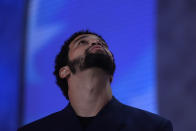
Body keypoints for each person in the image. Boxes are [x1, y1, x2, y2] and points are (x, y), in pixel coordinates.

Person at [18, 30, 173, 131]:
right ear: (64, 71)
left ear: (111, 73)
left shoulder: (154, 127)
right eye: (82, 42)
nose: (96, 43)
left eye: (102, 44)